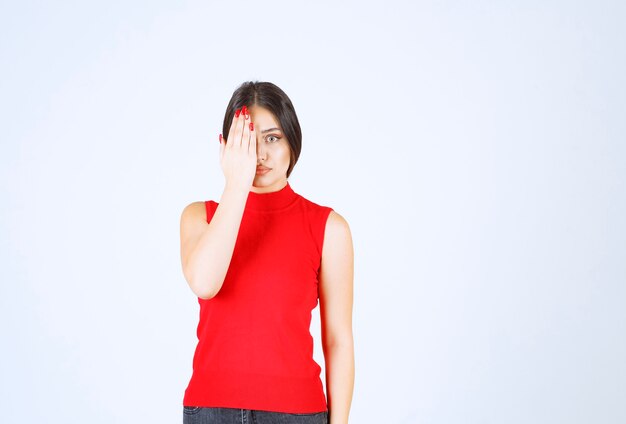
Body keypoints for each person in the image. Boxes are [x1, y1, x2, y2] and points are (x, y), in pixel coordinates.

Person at [179, 81, 354, 424]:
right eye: (246, 139)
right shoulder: (199, 216)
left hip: (297, 413)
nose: (259, 153)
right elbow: (205, 283)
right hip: (211, 411)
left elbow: (338, 339)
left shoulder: (329, 228)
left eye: (272, 138)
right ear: (225, 147)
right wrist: (236, 184)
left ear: (292, 141)